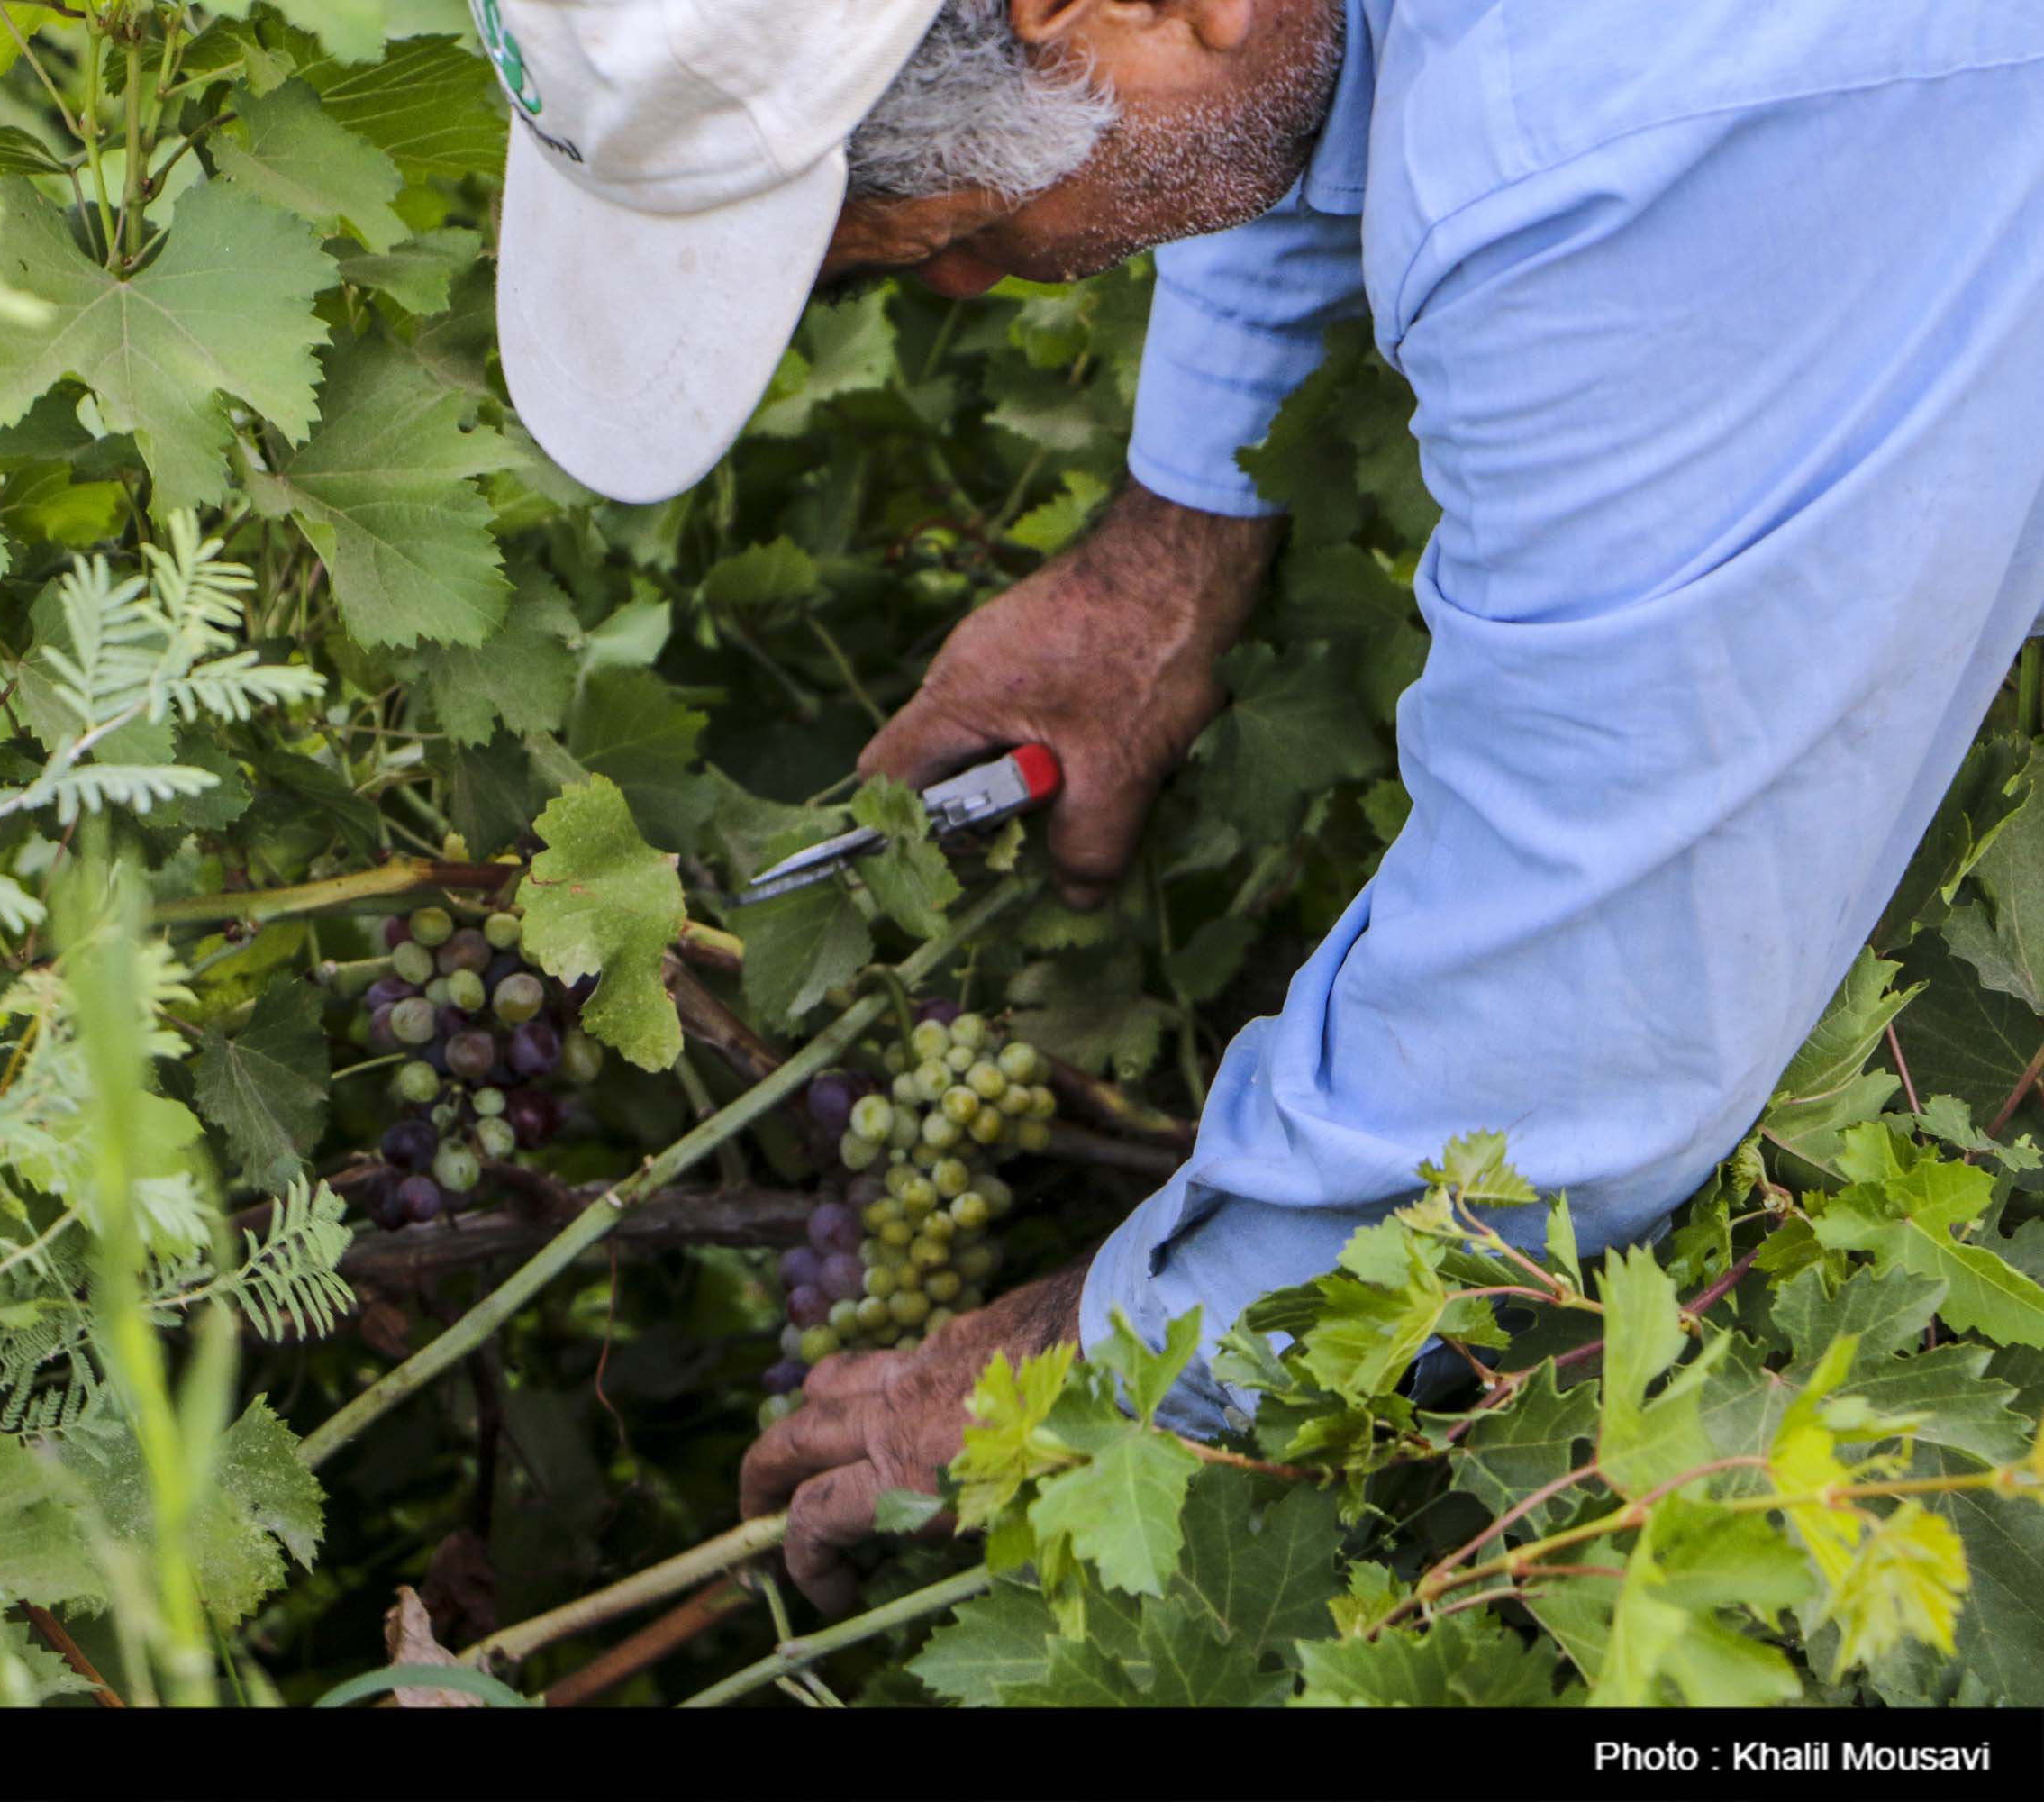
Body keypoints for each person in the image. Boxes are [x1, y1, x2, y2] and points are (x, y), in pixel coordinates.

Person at [469, 0, 2044, 1610]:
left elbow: (1578, 1060)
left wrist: (1087, 1369)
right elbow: (1287, 51)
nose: (959, 281)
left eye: (959, 229)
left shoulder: (1625, 175)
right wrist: (1174, 545)